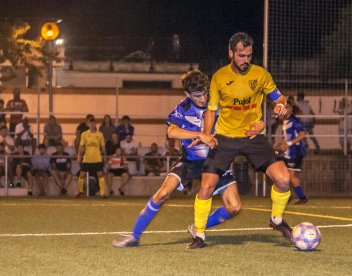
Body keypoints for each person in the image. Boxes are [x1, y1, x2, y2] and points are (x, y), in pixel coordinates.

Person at [112, 70, 241, 248]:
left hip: (216, 161)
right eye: (197, 95)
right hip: (190, 161)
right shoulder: (184, 108)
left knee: (234, 207)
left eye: (204, 92)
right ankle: (134, 236)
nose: (202, 98)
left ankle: (197, 227)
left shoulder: (219, 103)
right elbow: (171, 131)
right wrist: (200, 135)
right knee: (163, 193)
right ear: (188, 94)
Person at [189, 32, 291, 249]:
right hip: (225, 138)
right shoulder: (219, 77)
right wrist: (207, 135)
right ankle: (199, 235)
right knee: (206, 186)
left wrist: (281, 106)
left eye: (249, 56)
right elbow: (211, 110)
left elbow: (279, 98)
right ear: (231, 53)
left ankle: (277, 220)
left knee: (283, 179)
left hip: (253, 137)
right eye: (241, 55)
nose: (246, 60)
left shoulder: (261, 75)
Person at [274, 101, 308, 205]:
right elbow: (288, 137)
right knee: (284, 175)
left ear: (291, 110)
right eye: (284, 107)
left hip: (295, 152)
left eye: (287, 107)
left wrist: (288, 143)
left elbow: (302, 134)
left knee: (291, 176)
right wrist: (280, 144)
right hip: (287, 152)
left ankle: (302, 197)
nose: (285, 109)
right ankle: (286, 195)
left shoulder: (294, 121)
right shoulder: (285, 121)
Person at [75, 118, 106, 198]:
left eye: (94, 123)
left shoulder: (100, 134)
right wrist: (79, 156)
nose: (92, 125)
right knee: (82, 175)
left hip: (97, 159)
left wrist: (104, 155)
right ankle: (80, 191)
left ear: (96, 124)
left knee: (100, 175)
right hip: (87, 159)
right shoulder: (84, 134)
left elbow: (103, 146)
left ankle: (102, 193)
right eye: (91, 123)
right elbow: (81, 146)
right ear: (88, 124)